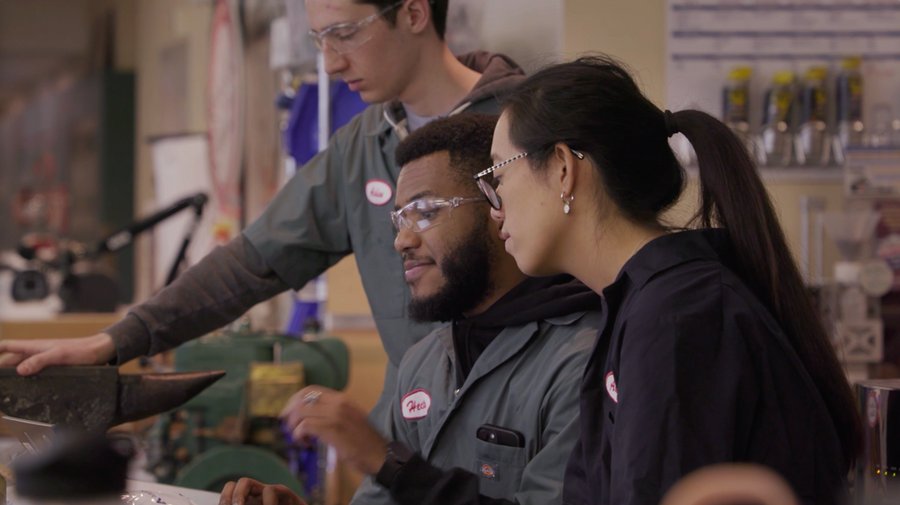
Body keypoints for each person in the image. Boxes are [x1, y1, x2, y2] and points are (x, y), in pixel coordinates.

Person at [0, 0, 525, 424]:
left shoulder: (530, 128)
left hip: (528, 419)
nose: (330, 62)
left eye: (344, 32)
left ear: (413, 13)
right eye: (320, 39)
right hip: (414, 427)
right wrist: (113, 341)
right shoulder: (363, 145)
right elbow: (252, 263)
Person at [476, 56, 861, 505]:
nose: (494, 208)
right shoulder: (644, 302)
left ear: (563, 167)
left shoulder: (677, 315)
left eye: (498, 175)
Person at [220, 114, 602, 505]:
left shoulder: (583, 360)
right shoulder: (424, 363)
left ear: (497, 207)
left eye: (426, 211)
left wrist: (390, 465)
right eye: (400, 218)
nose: (402, 239)